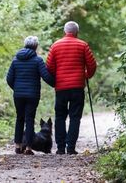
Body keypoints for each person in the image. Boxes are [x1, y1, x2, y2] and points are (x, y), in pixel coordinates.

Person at [46, 21, 97, 155]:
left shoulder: (55, 46)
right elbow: (92, 65)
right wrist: (86, 75)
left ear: (65, 31)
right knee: (75, 117)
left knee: (60, 117)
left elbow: (49, 67)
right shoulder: (83, 45)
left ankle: (60, 148)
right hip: (77, 87)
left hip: (61, 88)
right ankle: (71, 147)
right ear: (76, 32)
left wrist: (57, 78)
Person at [6, 36, 55, 155]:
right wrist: (56, 84)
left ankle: (17, 146)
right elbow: (46, 76)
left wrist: (17, 89)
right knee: (29, 119)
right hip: (32, 95)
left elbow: (9, 79)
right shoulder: (38, 60)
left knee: (19, 118)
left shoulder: (15, 60)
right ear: (36, 46)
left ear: (25, 45)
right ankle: (28, 148)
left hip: (18, 95)